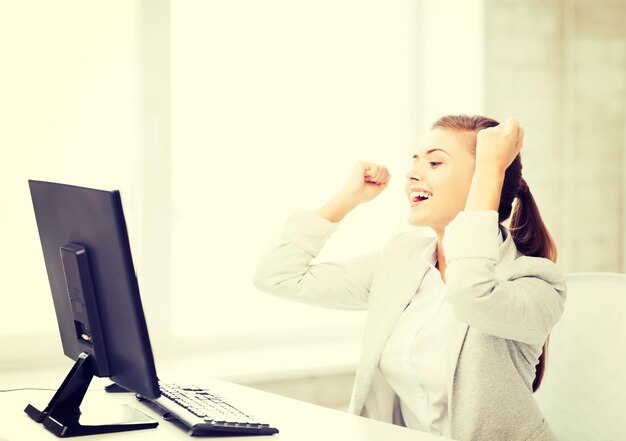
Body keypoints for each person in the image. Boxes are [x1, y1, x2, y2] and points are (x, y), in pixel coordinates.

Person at [253, 115, 567, 441]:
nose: (413, 173)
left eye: (435, 162)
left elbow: (470, 293)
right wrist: (348, 198)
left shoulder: (536, 282)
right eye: (415, 161)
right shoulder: (401, 260)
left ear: (484, 181)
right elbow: (277, 275)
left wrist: (491, 172)